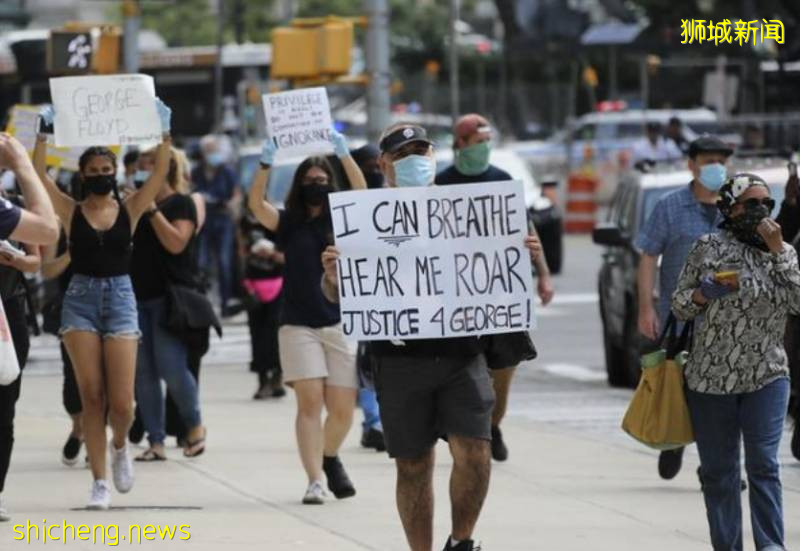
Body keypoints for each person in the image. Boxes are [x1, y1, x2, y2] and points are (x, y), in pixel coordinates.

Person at [321, 123, 544, 551]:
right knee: (413, 464)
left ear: (433, 158)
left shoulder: (466, 209)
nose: (414, 162)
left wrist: (522, 255)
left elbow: (495, 270)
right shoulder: (361, 217)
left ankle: (461, 541)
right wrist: (333, 277)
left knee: (474, 451)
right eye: (402, 155)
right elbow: (335, 292)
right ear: (383, 163)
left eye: (421, 153)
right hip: (399, 360)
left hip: (463, 353)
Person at [34, 100, 172, 509]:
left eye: (105, 170)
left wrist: (165, 133)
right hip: (80, 300)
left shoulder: (131, 208)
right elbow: (39, 176)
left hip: (121, 298)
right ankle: (99, 482)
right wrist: (42, 134)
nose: (99, 176)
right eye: (92, 171)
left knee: (123, 403)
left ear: (115, 173)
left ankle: (120, 446)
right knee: (91, 396)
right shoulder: (70, 210)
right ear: (83, 176)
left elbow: (160, 174)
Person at [672, 173, 795, 551]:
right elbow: (679, 306)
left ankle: (771, 545)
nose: (761, 211)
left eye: (767, 204)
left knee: (764, 465)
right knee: (719, 472)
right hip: (711, 379)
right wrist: (702, 294)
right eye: (751, 204)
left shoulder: (784, 252)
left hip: (767, 375)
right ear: (729, 208)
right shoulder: (707, 247)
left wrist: (778, 252)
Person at [247, 130, 366, 505]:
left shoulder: (345, 219)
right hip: (298, 324)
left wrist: (343, 155)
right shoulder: (289, 222)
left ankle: (329, 456)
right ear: (299, 185)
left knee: (343, 410)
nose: (316, 185)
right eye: (310, 180)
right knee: (309, 404)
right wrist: (265, 164)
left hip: (340, 322)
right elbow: (256, 204)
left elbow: (363, 194)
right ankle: (315, 480)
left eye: (322, 179)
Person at [435, 113, 555, 462]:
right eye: (478, 142)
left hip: (501, 297)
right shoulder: (440, 184)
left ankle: (494, 424)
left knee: (502, 375)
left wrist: (543, 274)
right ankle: (470, 432)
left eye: (488, 141)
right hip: (458, 298)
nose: (484, 148)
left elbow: (526, 229)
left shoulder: (502, 181)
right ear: (460, 144)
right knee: (464, 373)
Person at [635, 135, 733, 481]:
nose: (716, 167)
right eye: (709, 161)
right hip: (681, 319)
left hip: (729, 322)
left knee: (724, 396)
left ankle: (719, 465)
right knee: (686, 389)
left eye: (721, 161)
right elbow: (649, 255)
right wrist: (646, 307)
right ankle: (674, 440)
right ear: (692, 165)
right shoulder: (669, 206)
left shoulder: (736, 207)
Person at [130, 145, 207, 461]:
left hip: (169, 300)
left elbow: (176, 243)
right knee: (143, 375)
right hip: (137, 298)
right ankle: (156, 440)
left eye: (150, 164)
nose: (143, 170)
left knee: (172, 367)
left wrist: (152, 210)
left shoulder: (181, 203)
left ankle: (195, 425)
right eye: (141, 164)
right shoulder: (135, 204)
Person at [0, 199, 42, 522]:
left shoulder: (14, 210)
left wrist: (13, 258)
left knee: (4, 409)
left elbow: (34, 261)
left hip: (9, 314)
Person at [192, 135, 240, 316]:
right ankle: (202, 304)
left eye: (215, 150)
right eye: (209, 150)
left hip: (223, 219)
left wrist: (231, 204)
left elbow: (236, 194)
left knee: (224, 262)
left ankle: (225, 303)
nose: (213, 153)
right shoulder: (196, 171)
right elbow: (190, 189)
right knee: (201, 263)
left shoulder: (227, 171)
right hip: (203, 220)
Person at [240, 210, 286, 399]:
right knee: (257, 334)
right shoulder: (245, 222)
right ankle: (262, 380)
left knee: (276, 334)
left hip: (278, 284)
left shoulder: (278, 219)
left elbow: (288, 256)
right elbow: (240, 252)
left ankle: (277, 376)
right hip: (253, 286)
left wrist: (273, 253)